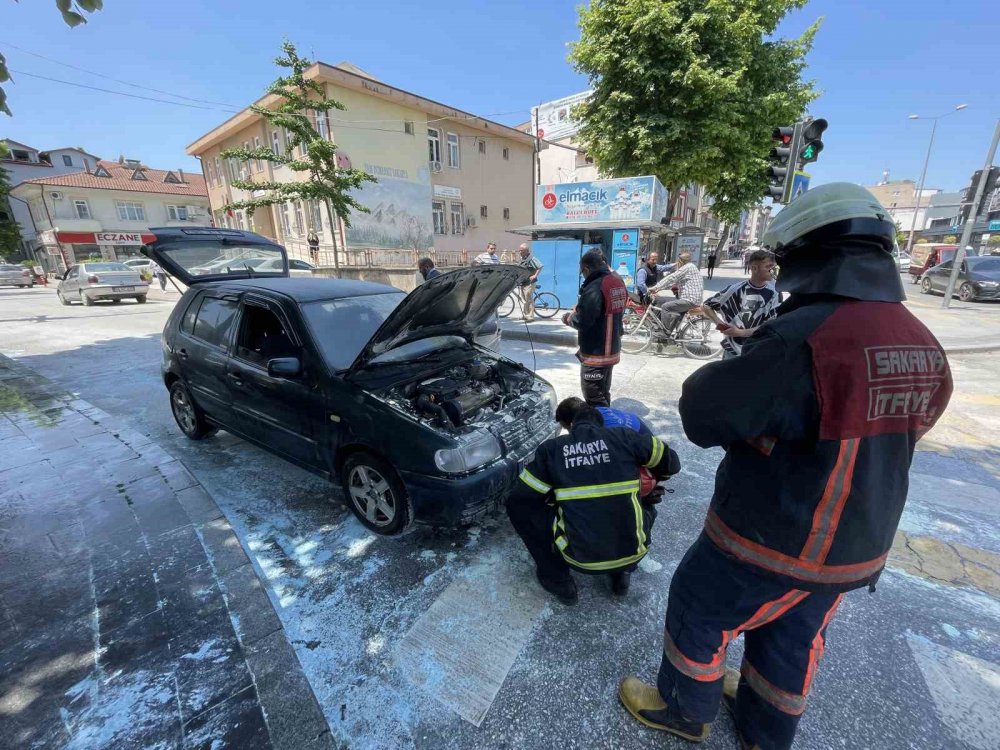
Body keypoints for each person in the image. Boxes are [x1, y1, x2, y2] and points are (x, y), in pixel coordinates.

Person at [618, 183, 953, 750]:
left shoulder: (806, 338)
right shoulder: (920, 339)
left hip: (771, 535)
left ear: (804, 255)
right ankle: (763, 731)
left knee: (701, 609)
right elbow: (918, 420)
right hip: (856, 547)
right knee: (793, 636)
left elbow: (704, 413)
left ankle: (683, 709)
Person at [507, 404, 680, 604]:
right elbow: (673, 463)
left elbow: (520, 499)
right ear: (602, 424)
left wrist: (556, 495)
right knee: (645, 503)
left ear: (572, 426)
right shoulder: (625, 437)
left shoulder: (552, 450)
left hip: (576, 557)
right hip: (635, 553)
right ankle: (623, 573)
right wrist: (650, 484)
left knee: (519, 509)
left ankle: (558, 580)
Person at [561, 250, 627, 406]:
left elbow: (583, 321)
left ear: (587, 269)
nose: (582, 275)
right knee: (603, 392)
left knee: (593, 396)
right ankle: (606, 424)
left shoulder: (595, 286)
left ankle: (600, 427)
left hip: (596, 352)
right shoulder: (616, 281)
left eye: (582, 272)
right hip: (611, 348)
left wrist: (568, 317)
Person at [702, 249, 781, 359]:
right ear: (754, 268)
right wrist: (719, 323)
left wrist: (740, 332)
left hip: (758, 352)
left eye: (774, 267)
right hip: (732, 352)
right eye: (768, 267)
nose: (772, 270)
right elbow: (707, 306)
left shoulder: (775, 294)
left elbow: (771, 326)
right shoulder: (734, 290)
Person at [649, 251, 704, 335]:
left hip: (689, 300)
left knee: (665, 307)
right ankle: (671, 333)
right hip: (693, 299)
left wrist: (656, 287)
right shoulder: (691, 267)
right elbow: (673, 283)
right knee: (676, 315)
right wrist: (659, 289)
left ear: (680, 261)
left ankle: (664, 332)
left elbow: (672, 277)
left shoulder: (687, 267)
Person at [517, 243, 543, 321]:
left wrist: (535, 275)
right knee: (524, 300)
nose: (520, 252)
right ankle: (525, 315)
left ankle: (530, 316)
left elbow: (540, 266)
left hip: (530, 282)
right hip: (523, 282)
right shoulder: (523, 258)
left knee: (529, 299)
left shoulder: (531, 258)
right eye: (520, 250)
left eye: (521, 250)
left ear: (526, 251)